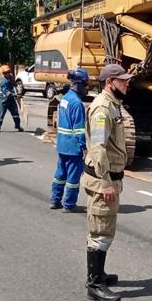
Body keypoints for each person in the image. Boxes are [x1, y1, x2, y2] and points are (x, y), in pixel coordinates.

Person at [82, 63, 132, 301]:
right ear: (111, 82)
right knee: (100, 231)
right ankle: (94, 284)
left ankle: (99, 274)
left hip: (110, 178)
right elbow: (98, 149)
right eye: (123, 80)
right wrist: (105, 184)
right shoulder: (103, 109)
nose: (127, 83)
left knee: (105, 228)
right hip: (103, 180)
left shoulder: (113, 104)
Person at [50, 68, 88, 212]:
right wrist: (83, 146)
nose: (86, 87)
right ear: (78, 84)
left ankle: (55, 200)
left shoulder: (65, 98)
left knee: (60, 174)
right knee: (73, 177)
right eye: (85, 84)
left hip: (62, 145)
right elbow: (79, 129)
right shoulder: (77, 103)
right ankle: (69, 204)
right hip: (73, 147)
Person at [0, 64, 23, 133]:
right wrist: (15, 95)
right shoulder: (4, 82)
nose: (7, 74)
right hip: (4, 100)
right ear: (3, 73)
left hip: (11, 99)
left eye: (8, 72)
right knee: (1, 114)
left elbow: (15, 84)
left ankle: (18, 126)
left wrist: (14, 83)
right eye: (6, 73)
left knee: (15, 113)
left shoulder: (11, 77)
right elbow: (7, 92)